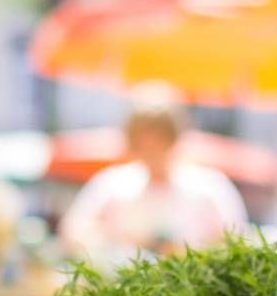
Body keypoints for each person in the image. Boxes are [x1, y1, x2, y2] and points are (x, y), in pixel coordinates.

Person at [58, 89, 248, 262]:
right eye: (143, 140)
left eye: (159, 138)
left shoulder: (209, 188)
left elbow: (235, 240)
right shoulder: (111, 186)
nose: (151, 146)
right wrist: (116, 240)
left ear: (174, 138)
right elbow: (74, 231)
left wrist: (189, 252)